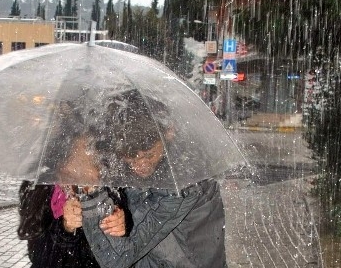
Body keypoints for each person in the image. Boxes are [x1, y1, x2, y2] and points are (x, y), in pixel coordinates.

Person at [77, 89, 227, 267]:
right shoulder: (128, 165)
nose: (140, 165)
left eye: (148, 155)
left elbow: (116, 259)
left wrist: (93, 195)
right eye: (130, 157)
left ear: (168, 133)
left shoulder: (183, 183)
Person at [17, 100, 131, 268]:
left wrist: (124, 225)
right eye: (74, 168)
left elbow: (121, 252)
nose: (82, 179)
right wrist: (65, 228)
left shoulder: (111, 190)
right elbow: (39, 257)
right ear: (60, 163)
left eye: (91, 167)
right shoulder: (41, 189)